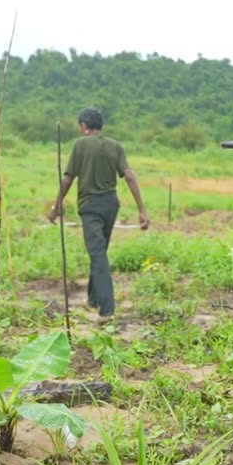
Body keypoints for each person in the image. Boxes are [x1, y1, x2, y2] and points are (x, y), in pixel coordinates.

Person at [48, 107, 148, 317]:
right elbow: (129, 176)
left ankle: (107, 309)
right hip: (111, 205)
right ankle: (93, 300)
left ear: (84, 127)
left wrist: (56, 207)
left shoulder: (80, 144)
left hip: (90, 207)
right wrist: (141, 210)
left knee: (98, 254)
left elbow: (68, 178)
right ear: (100, 127)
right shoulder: (115, 146)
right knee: (99, 252)